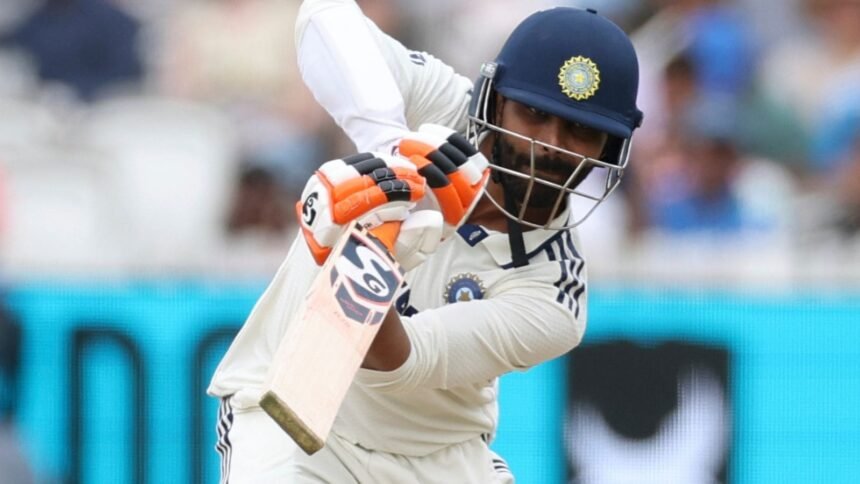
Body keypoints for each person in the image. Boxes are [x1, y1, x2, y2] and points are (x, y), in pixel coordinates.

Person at [208, 1, 643, 482]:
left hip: (436, 458)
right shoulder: (443, 105)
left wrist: (365, 253)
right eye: (534, 113)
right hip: (284, 413)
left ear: (610, 147)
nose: (550, 144)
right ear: (496, 102)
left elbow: (398, 361)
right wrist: (386, 144)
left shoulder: (554, 292)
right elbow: (322, 16)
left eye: (582, 131)